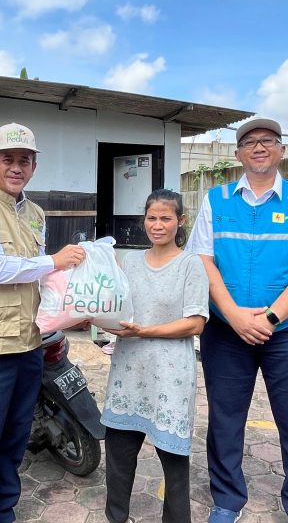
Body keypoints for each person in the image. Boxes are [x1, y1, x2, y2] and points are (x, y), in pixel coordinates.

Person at [186, 117, 288, 523]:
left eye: (267, 141)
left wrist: (269, 318)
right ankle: (227, 499)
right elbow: (202, 260)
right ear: (237, 154)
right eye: (249, 142)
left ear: (282, 149)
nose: (258, 147)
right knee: (225, 419)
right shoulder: (216, 200)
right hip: (226, 329)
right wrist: (233, 315)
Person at [0, 122, 86, 523]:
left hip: (30, 341)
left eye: (24, 160)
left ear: (34, 167)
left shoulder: (36, 213)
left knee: (14, 438)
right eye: (7, 159)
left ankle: (3, 510)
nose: (16, 167)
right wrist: (54, 261)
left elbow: (40, 276)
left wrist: (82, 295)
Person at [102, 189, 208, 523]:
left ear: (181, 221)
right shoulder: (129, 262)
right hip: (129, 373)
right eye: (151, 218)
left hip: (170, 376)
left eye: (165, 218)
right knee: (118, 457)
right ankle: (115, 517)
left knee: (174, 462)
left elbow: (195, 323)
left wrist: (144, 331)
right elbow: (110, 302)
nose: (157, 225)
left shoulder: (191, 265)